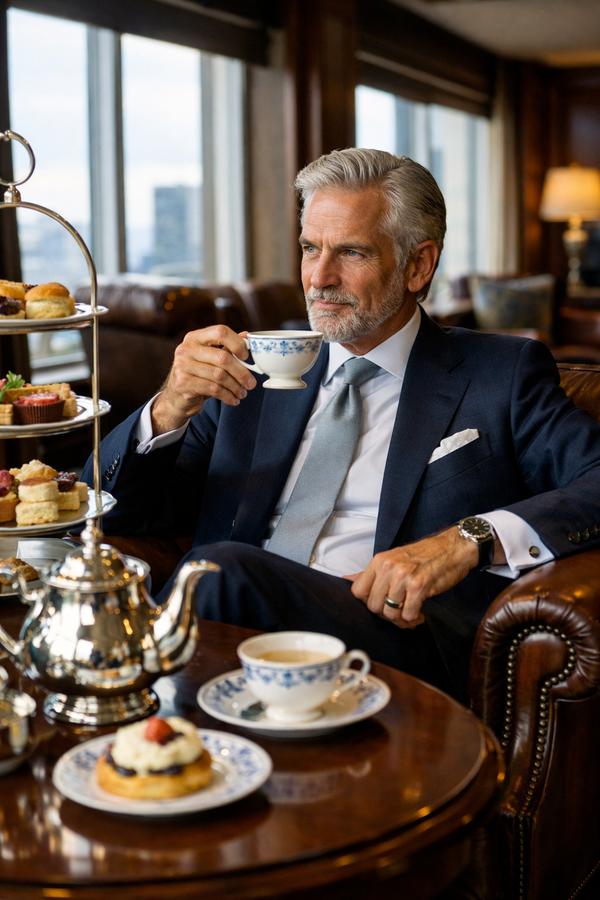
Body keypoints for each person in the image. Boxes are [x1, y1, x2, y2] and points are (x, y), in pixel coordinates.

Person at [83, 149, 600, 703]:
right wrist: (167, 407)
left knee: (215, 571)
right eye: (310, 249)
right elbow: (110, 511)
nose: (319, 279)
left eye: (350, 252)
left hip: (389, 635)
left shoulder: (500, 372)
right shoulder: (249, 370)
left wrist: (465, 540)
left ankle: (132, 715)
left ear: (418, 266)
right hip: (232, 619)